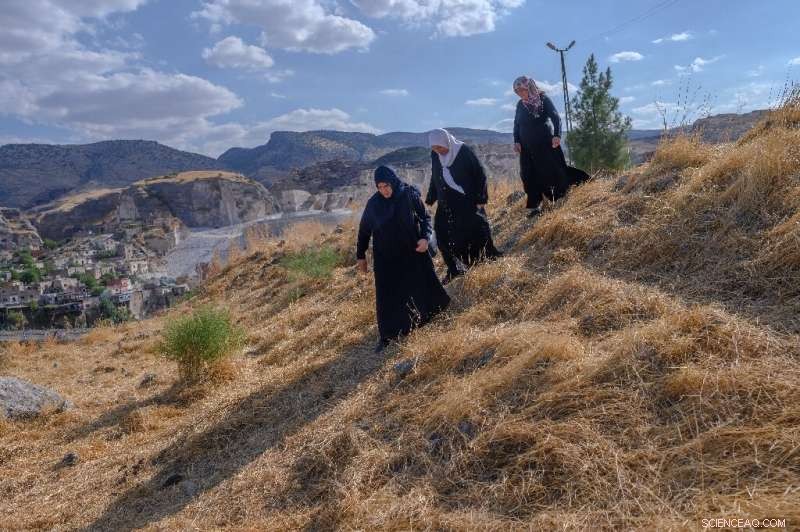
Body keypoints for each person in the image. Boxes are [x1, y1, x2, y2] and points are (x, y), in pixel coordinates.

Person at [357, 166, 450, 352]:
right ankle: (388, 335)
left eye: (386, 185)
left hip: (411, 250)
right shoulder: (373, 204)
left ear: (393, 181)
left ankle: (425, 316)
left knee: (418, 284)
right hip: (386, 257)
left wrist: (425, 237)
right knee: (386, 295)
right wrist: (361, 256)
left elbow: (425, 217)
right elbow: (364, 231)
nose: (384, 190)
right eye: (380, 187)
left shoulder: (408, 194)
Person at [426, 128, 502, 283]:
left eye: (439, 147)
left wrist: (481, 197)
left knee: (476, 230)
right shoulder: (435, 155)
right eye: (434, 148)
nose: (438, 151)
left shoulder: (463, 151)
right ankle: (454, 269)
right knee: (441, 235)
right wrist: (431, 197)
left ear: (446, 141)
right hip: (446, 201)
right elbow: (435, 177)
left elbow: (479, 174)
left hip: (466, 200)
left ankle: (482, 259)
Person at [513, 76, 590, 217]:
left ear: (529, 87)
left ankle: (560, 198)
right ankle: (534, 207)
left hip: (545, 145)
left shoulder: (543, 100)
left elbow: (556, 118)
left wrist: (557, 135)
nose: (519, 93)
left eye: (521, 90)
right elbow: (517, 124)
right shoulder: (520, 105)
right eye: (517, 91)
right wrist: (516, 140)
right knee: (528, 175)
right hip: (526, 149)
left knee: (552, 172)